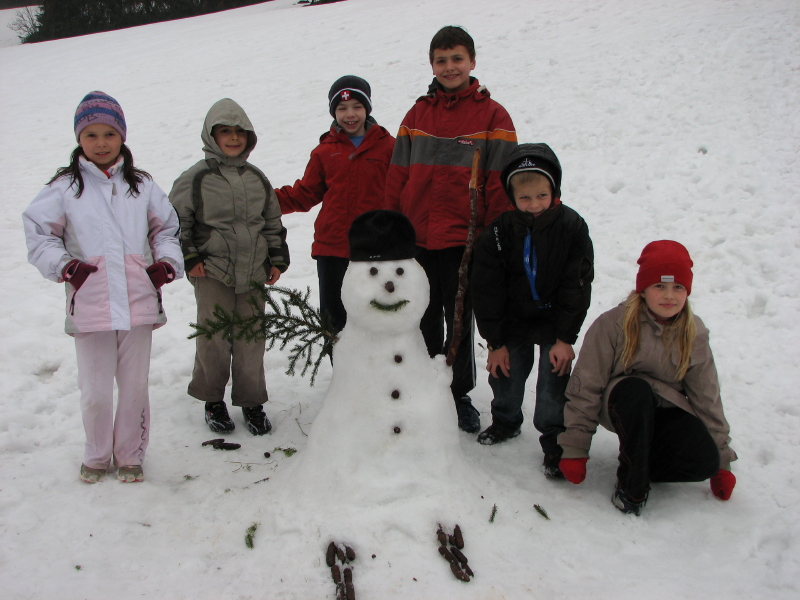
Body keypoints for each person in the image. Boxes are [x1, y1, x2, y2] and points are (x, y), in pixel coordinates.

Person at [22, 91, 184, 484]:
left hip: (139, 301)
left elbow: (166, 230)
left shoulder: (142, 185)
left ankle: (130, 454)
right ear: (79, 138)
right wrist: (67, 267)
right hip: (91, 303)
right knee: (95, 392)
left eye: (109, 134)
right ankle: (96, 455)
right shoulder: (64, 187)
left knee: (134, 387)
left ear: (121, 137)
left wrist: (165, 264)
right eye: (91, 135)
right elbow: (40, 233)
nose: (101, 143)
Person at [385, 25, 517, 433]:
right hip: (418, 239)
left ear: (472, 61)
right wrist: (394, 228)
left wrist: (491, 238)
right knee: (421, 315)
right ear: (431, 65)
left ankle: (457, 394)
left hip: (465, 239)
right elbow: (397, 175)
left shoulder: (493, 116)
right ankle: (424, 388)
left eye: (457, 58)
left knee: (458, 318)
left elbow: (500, 183)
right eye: (441, 60)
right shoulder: (417, 115)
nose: (449, 67)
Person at [558, 241, 738, 515]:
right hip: (623, 403)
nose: (669, 296)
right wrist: (576, 448)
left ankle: (641, 460)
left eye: (678, 287)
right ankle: (631, 489)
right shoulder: (613, 324)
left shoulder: (693, 331)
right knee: (636, 391)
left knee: (704, 461)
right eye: (659, 286)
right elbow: (587, 386)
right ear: (643, 289)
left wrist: (721, 460)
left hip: (665, 408)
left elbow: (706, 395)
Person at [472, 143, 593, 480]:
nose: (535, 204)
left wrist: (565, 338)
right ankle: (506, 420)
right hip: (514, 319)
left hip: (555, 319)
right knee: (506, 375)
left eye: (542, 195)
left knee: (554, 385)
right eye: (525, 198)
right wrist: (495, 342)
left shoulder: (572, 227)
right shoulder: (498, 232)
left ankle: (555, 439)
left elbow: (577, 285)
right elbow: (487, 290)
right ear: (511, 198)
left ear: (554, 191)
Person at [170, 98, 289, 436]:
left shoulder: (256, 177)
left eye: (240, 131)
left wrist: (276, 257)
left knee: (251, 338)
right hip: (212, 271)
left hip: (252, 271)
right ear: (212, 136)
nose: (234, 138)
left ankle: (252, 402)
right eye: (225, 131)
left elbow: (271, 221)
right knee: (214, 337)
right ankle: (212, 400)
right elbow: (176, 222)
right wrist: (190, 257)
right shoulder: (196, 177)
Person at [276, 76, 394, 340]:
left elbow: (402, 193)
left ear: (367, 108)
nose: (350, 114)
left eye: (357, 107)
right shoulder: (324, 151)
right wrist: (262, 199)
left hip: (376, 247)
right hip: (332, 247)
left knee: (377, 315)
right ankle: (340, 365)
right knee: (334, 319)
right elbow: (305, 193)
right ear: (333, 112)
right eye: (342, 108)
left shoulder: (389, 147)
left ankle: (376, 366)